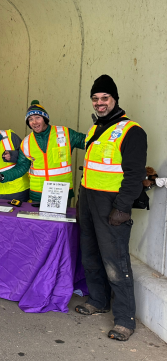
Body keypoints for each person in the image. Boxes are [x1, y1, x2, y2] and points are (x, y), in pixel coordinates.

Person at [74, 75, 147, 342]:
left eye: (104, 98)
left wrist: (122, 208)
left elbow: (134, 173)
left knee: (115, 261)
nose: (99, 103)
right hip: (89, 198)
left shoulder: (132, 131)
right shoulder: (96, 128)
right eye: (95, 99)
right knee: (90, 254)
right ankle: (98, 300)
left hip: (112, 203)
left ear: (115, 99)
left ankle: (125, 319)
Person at [0, 100, 86, 202]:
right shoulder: (27, 142)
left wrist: (100, 127)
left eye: (38, 117)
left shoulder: (65, 133)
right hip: (38, 195)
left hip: (61, 192)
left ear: (45, 118)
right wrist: (2, 176)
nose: (34, 122)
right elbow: (21, 168)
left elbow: (88, 142)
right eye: (30, 119)